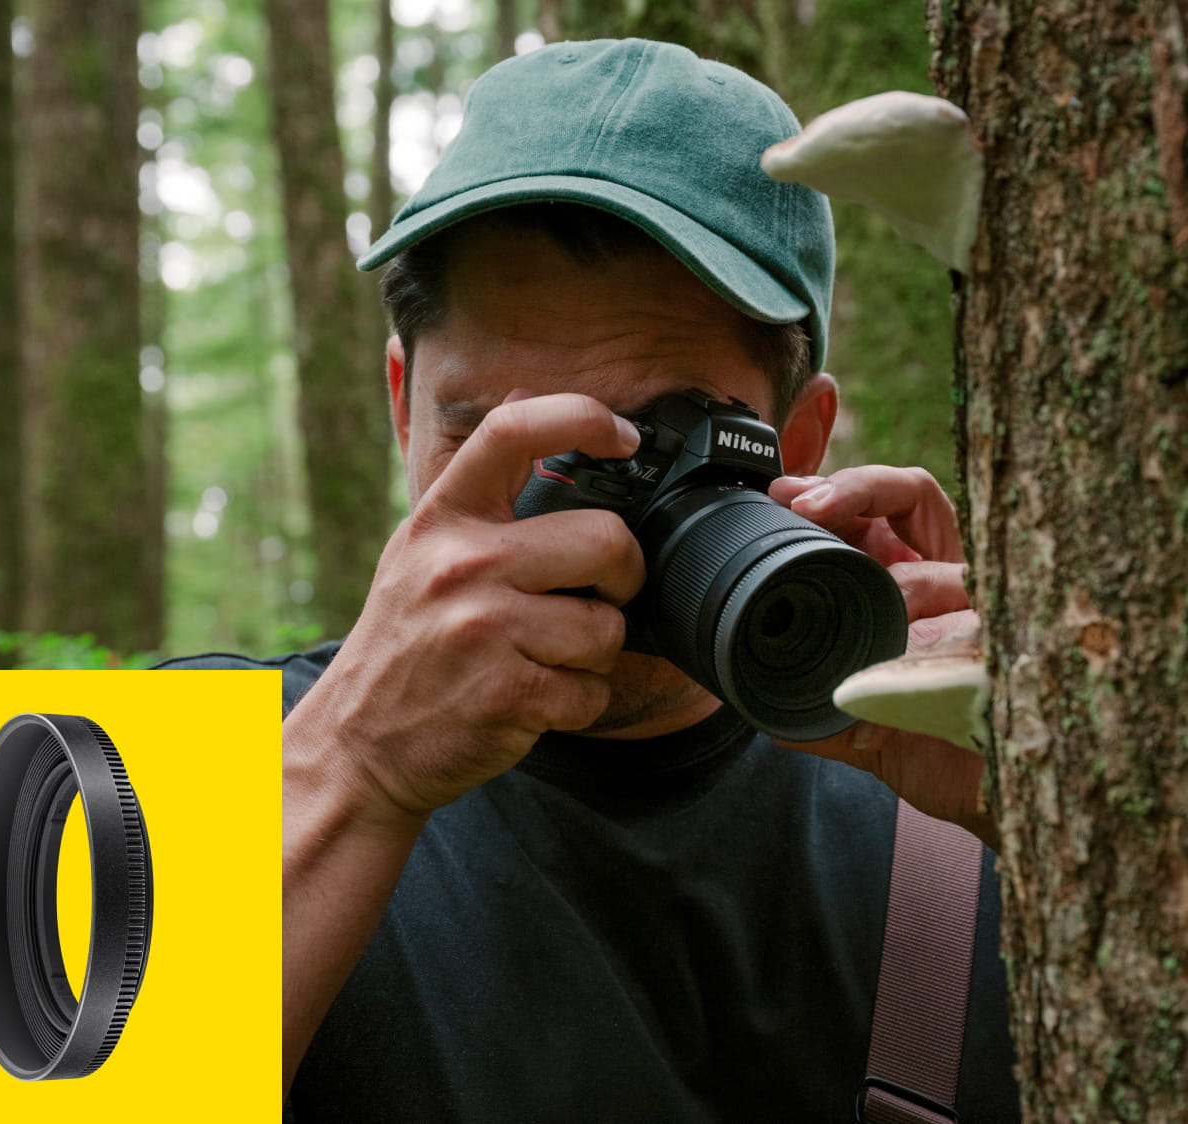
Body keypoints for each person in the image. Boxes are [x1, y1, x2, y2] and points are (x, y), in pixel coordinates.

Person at [162, 38, 1019, 1121]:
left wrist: (1043, 816)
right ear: (402, 408)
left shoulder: (953, 796)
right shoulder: (138, 759)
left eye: (652, 441)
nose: (568, 517)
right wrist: (353, 764)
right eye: (490, 432)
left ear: (798, 442)